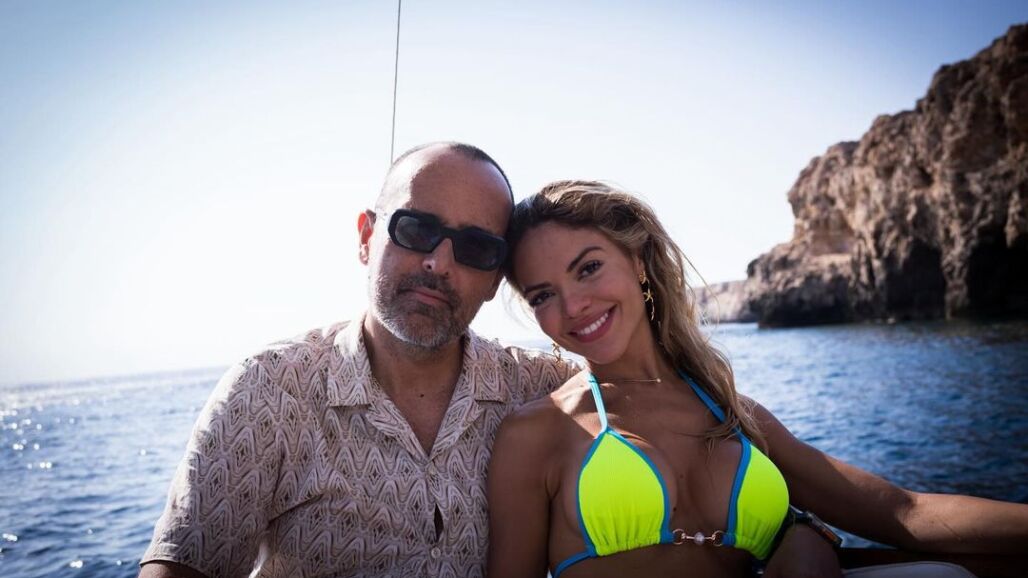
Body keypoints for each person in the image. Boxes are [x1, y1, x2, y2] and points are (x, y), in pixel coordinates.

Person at [138, 144, 838, 578]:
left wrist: (801, 533)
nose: (440, 263)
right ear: (366, 236)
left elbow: (693, 436)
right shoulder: (270, 389)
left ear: (495, 278)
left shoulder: (545, 388)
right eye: (416, 229)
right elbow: (182, 567)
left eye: (475, 248)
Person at [489, 180, 1028, 578]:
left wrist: (806, 537)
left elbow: (901, 512)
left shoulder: (733, 412)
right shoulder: (538, 433)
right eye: (543, 295)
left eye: (588, 268)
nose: (573, 306)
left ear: (640, 262)